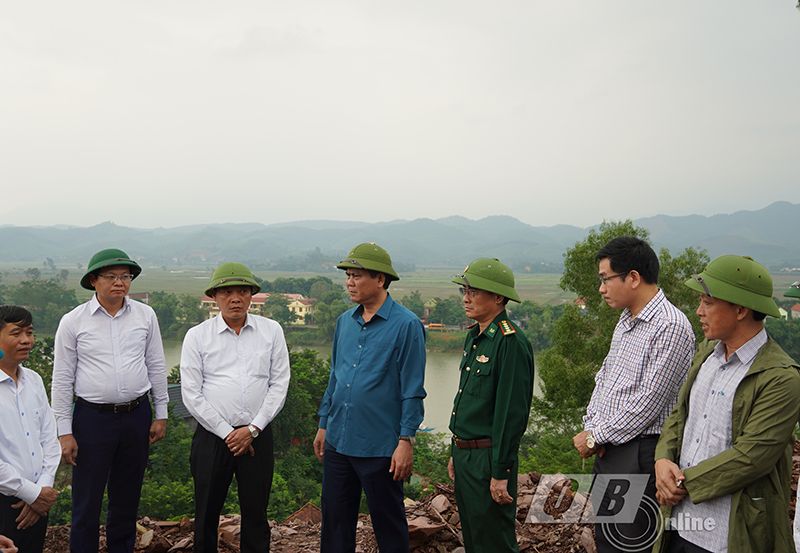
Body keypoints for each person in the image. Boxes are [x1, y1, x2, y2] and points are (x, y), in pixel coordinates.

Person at [653, 255, 800, 553]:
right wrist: (663, 459)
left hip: (731, 536)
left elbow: (751, 457)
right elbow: (680, 415)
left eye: (708, 303)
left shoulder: (781, 378)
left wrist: (681, 485)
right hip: (679, 525)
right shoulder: (707, 353)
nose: (698, 311)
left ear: (741, 309)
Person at [572, 236, 695, 553]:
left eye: (605, 279)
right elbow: (606, 379)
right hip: (611, 448)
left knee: (627, 543)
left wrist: (594, 436)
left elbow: (647, 404)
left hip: (639, 454)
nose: (601, 289)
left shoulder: (670, 326)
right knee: (608, 540)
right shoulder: (626, 321)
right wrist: (593, 427)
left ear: (633, 277)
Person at [52, 248, 169, 553]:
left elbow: (156, 364)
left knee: (126, 498)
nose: (120, 282)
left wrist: (162, 413)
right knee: (86, 502)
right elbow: (62, 379)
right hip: (92, 419)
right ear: (94, 280)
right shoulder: (73, 321)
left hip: (137, 414)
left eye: (125, 276)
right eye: (111, 276)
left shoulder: (145, 315)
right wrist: (64, 431)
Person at [313, 243, 426, 553]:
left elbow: (413, 389)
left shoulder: (407, 326)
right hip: (338, 439)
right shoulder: (344, 323)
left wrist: (406, 440)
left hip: (379, 447)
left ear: (380, 279)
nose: (350, 282)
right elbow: (335, 377)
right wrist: (324, 423)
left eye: (357, 275)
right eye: (348, 275)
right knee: (335, 520)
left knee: (388, 523)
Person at [181, 262, 290, 553]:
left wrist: (252, 430)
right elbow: (191, 393)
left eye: (243, 291)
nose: (235, 298)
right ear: (214, 297)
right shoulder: (197, 336)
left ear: (252, 295)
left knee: (256, 512)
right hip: (212, 437)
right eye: (227, 292)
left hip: (258, 435)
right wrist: (229, 433)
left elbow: (279, 384)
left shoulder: (271, 331)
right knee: (206, 512)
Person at [447, 258, 535, 553]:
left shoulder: (509, 341)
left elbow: (511, 414)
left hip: (488, 459)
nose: (466, 298)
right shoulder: (476, 336)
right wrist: (455, 450)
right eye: (465, 290)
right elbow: (468, 404)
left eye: (475, 291)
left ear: (498, 297)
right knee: (474, 537)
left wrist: (501, 472)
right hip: (466, 456)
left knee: (493, 541)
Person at [0, 306, 60, 553]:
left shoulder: (33, 380)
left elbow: (49, 438)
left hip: (39, 498)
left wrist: (42, 492)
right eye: (16, 333)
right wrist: (31, 494)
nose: (26, 340)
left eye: (30, 332)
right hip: (5, 501)